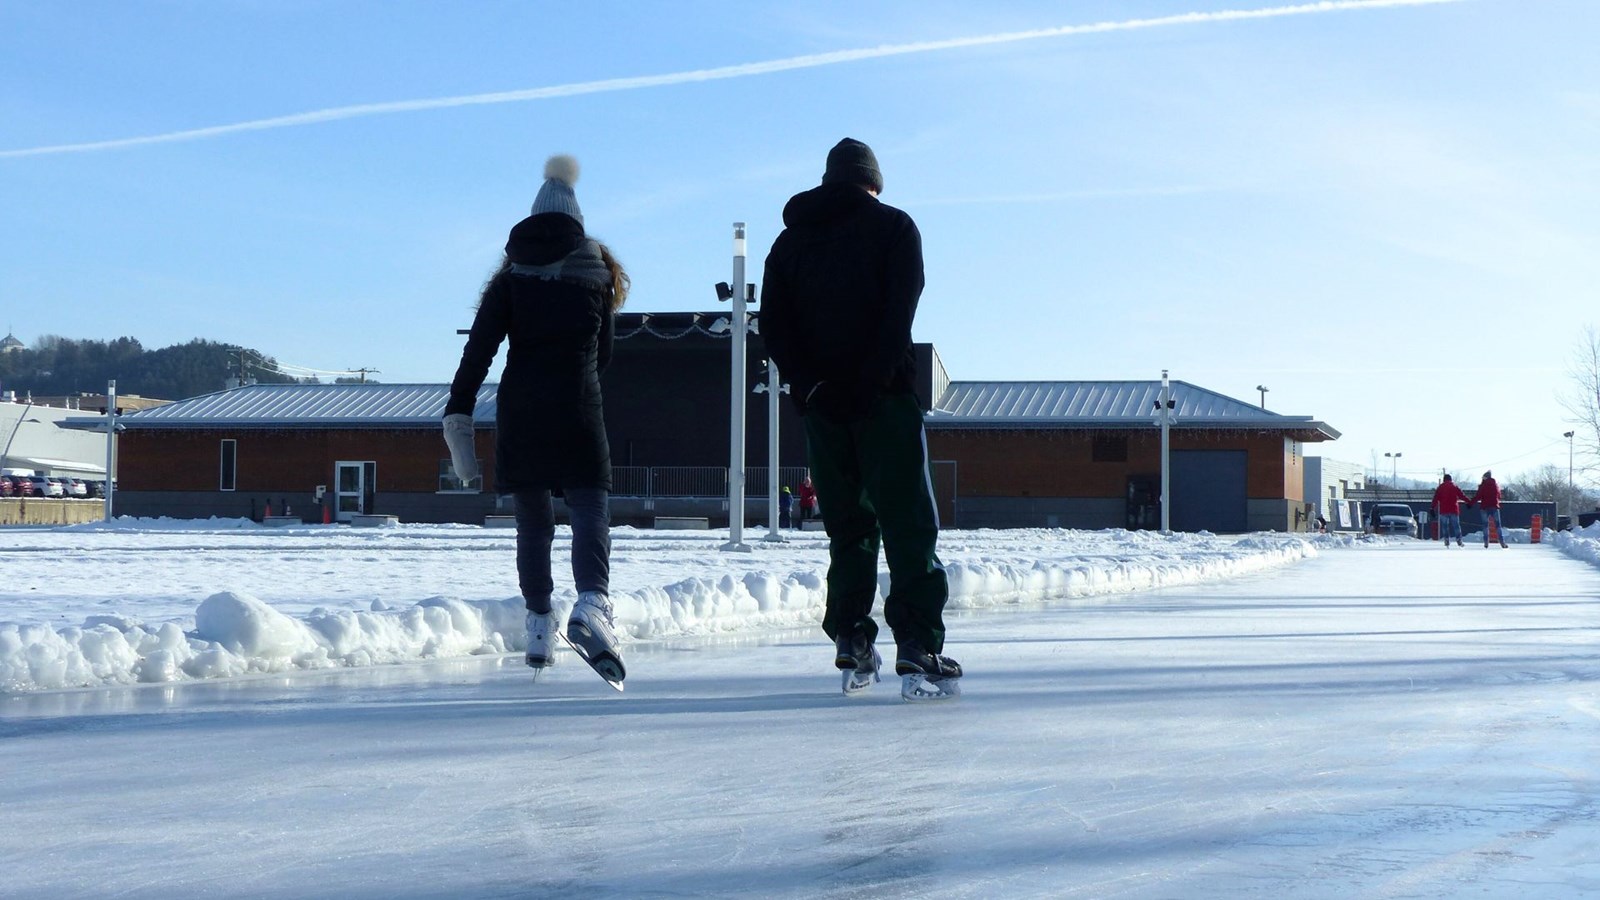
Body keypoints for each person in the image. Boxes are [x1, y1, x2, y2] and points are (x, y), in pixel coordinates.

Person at [761, 137, 959, 701]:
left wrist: (812, 383)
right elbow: (899, 314)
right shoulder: (895, 228)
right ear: (872, 182)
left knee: (848, 529)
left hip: (824, 410)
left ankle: (852, 634)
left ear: (829, 181)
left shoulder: (788, 244)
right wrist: (869, 382)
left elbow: (773, 324)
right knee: (908, 523)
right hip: (884, 405)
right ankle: (918, 644)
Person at [443, 154, 630, 685]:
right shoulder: (596, 275)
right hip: (579, 405)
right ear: (576, 219)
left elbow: (477, 352)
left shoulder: (509, 279)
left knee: (533, 521)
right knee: (590, 503)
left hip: (521, 411)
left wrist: (458, 410)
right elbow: (605, 356)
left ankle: (540, 626)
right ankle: (593, 602)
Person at [1471, 469, 1509, 549]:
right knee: (1498, 526)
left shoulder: (1483, 486)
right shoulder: (1495, 485)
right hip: (1494, 506)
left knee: (1485, 525)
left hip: (1484, 507)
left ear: (1485, 478)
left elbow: (1478, 496)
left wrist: (1470, 502)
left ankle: (1486, 543)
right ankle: (1502, 542)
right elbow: (1498, 495)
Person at [1431, 474, 1469, 547]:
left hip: (1444, 510)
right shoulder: (1454, 486)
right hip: (1454, 509)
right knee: (1456, 526)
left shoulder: (1440, 487)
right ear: (1451, 479)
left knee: (1445, 526)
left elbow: (1435, 498)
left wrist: (1432, 508)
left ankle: (1446, 541)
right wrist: (1469, 501)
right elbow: (1462, 495)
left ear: (1444, 479)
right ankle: (1459, 540)